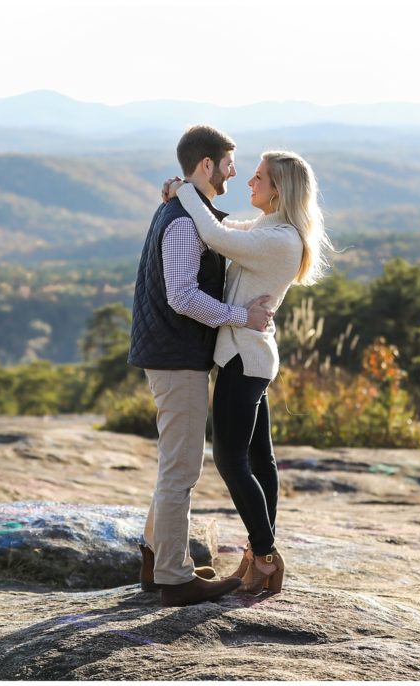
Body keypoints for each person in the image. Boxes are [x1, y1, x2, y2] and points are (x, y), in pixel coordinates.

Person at [163, 150, 332, 594]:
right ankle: (262, 555)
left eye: (258, 178)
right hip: (251, 356)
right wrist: (186, 198)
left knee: (229, 459)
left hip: (244, 359)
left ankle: (265, 555)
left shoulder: (280, 239)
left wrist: (183, 191)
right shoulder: (269, 228)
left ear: (280, 189)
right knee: (260, 461)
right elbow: (224, 226)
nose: (249, 184)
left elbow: (215, 235)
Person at [128, 125, 275, 607]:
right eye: (229, 163)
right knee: (182, 469)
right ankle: (174, 577)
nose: (235, 171)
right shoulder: (184, 221)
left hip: (175, 353)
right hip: (176, 357)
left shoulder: (189, 210)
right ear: (206, 165)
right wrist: (244, 317)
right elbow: (183, 296)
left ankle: (156, 561)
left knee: (175, 463)